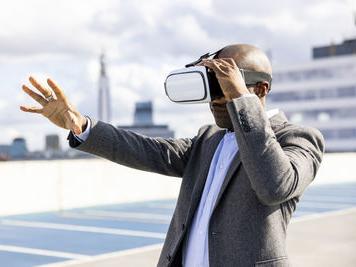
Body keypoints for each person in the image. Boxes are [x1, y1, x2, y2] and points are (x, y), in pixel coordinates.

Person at [20, 44, 324, 267]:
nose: (215, 100)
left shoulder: (298, 138)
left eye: (225, 86)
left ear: (260, 89)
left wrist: (241, 101)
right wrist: (82, 125)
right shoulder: (208, 141)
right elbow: (146, 150)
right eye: (212, 86)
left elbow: (274, 186)